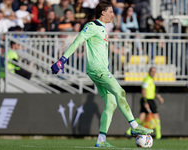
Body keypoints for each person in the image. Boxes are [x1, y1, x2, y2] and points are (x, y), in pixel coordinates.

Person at [51, 1, 153, 148]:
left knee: (111, 104)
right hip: (98, 70)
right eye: (110, 11)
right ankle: (134, 126)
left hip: (101, 70)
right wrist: (62, 59)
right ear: (103, 13)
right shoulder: (91, 26)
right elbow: (77, 41)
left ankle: (101, 139)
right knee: (120, 92)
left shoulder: (103, 29)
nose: (113, 14)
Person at [125, 67, 164, 140]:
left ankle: (128, 132)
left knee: (141, 119)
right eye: (152, 71)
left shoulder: (151, 80)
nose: (153, 73)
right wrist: (145, 102)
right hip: (148, 100)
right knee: (157, 118)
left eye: (155, 71)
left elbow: (152, 92)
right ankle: (159, 136)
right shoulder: (147, 79)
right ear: (149, 72)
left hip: (148, 100)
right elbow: (143, 90)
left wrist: (159, 97)